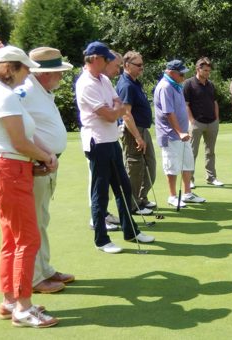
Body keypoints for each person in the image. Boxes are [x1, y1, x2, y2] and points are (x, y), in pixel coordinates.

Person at [0, 45, 59, 327]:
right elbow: (19, 142)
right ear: (11, 68)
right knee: (27, 238)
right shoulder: (4, 95)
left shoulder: (0, 93)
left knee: (13, 239)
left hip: (8, 169)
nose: (28, 75)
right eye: (26, 69)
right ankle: (23, 307)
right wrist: (47, 157)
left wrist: (45, 153)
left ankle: (10, 300)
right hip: (9, 170)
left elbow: (26, 137)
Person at [76, 41, 155, 254]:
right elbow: (112, 113)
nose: (110, 65)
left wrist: (116, 110)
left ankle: (131, 231)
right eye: (106, 60)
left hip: (111, 140)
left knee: (124, 187)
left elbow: (118, 104)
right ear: (95, 59)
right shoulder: (86, 83)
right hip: (97, 142)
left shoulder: (103, 79)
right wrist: (116, 110)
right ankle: (101, 239)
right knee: (100, 193)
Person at [19, 47, 75, 294]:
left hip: (48, 163)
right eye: (58, 73)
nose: (61, 78)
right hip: (37, 164)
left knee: (43, 218)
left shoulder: (42, 90)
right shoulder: (26, 91)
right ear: (44, 73)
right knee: (36, 221)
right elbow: (19, 127)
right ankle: (36, 277)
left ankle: (45, 268)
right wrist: (43, 155)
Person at [154, 59, 207, 207]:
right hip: (170, 134)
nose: (184, 77)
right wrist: (179, 132)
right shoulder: (165, 87)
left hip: (182, 133)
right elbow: (168, 112)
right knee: (172, 166)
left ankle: (187, 194)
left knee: (187, 163)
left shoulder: (176, 85)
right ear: (171, 73)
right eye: (181, 74)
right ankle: (172, 196)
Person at [117, 51, 157, 211]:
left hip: (141, 129)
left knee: (149, 166)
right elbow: (126, 115)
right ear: (127, 65)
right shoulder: (126, 85)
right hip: (132, 131)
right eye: (138, 65)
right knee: (134, 168)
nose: (142, 68)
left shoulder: (134, 82)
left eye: (142, 64)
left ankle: (141, 198)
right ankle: (132, 205)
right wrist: (138, 137)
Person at [183, 57, 224, 188]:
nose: (207, 73)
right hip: (196, 123)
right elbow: (186, 105)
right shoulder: (189, 83)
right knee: (192, 152)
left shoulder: (211, 84)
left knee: (210, 152)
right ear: (198, 69)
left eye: (208, 71)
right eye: (205, 70)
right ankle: (190, 180)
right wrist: (192, 121)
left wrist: (217, 119)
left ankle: (211, 178)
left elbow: (215, 102)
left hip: (212, 122)